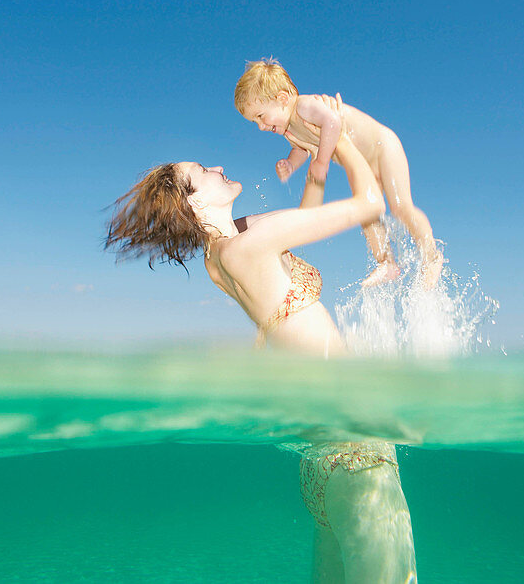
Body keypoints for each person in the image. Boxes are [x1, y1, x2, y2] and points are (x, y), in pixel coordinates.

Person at [106, 131, 417, 583]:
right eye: (201, 173)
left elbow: (305, 219)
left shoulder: (222, 256)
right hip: (357, 455)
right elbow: (369, 204)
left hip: (321, 467)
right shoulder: (248, 246)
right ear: (191, 206)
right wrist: (342, 135)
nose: (215, 168)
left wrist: (319, 160)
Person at [234, 58, 443, 288]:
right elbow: (301, 149)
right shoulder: (290, 130)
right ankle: (387, 262)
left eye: (261, 116)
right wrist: (291, 165)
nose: (261, 127)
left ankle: (432, 256)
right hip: (361, 162)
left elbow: (332, 121)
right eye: (255, 121)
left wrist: (322, 162)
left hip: (382, 147)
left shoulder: (304, 106)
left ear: (282, 99)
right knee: (365, 211)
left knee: (401, 207)